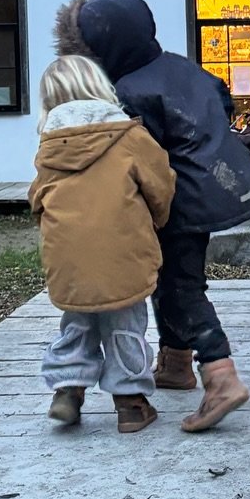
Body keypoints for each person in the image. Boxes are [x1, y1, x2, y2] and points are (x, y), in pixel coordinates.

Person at [54, 0, 250, 431]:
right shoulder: (181, 67)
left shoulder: (127, 92)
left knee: (179, 289)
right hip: (207, 191)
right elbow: (221, 101)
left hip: (174, 201)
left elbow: (134, 157)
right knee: (176, 277)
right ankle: (175, 363)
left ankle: (221, 375)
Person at [30, 54, 176, 434]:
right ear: (99, 87)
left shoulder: (50, 146)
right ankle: (130, 403)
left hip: (68, 257)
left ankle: (67, 388)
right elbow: (160, 185)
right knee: (125, 321)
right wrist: (156, 221)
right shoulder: (129, 137)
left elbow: (37, 199)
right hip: (124, 251)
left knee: (78, 319)